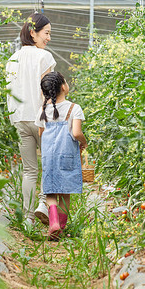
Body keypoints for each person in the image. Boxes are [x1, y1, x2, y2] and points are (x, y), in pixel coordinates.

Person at [5, 13, 56, 228]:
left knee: (29, 170)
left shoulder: (12, 59)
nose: (49, 38)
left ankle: (27, 218)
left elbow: (9, 91)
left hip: (19, 119)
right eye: (47, 33)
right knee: (49, 165)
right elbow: (48, 93)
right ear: (33, 33)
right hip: (40, 118)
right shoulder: (43, 57)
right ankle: (43, 205)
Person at [34, 72, 87, 239]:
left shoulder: (43, 110)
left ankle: (53, 222)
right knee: (65, 193)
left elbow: (41, 133)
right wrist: (84, 142)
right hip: (68, 156)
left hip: (49, 156)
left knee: (50, 192)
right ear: (64, 86)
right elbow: (77, 133)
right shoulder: (74, 108)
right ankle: (61, 229)